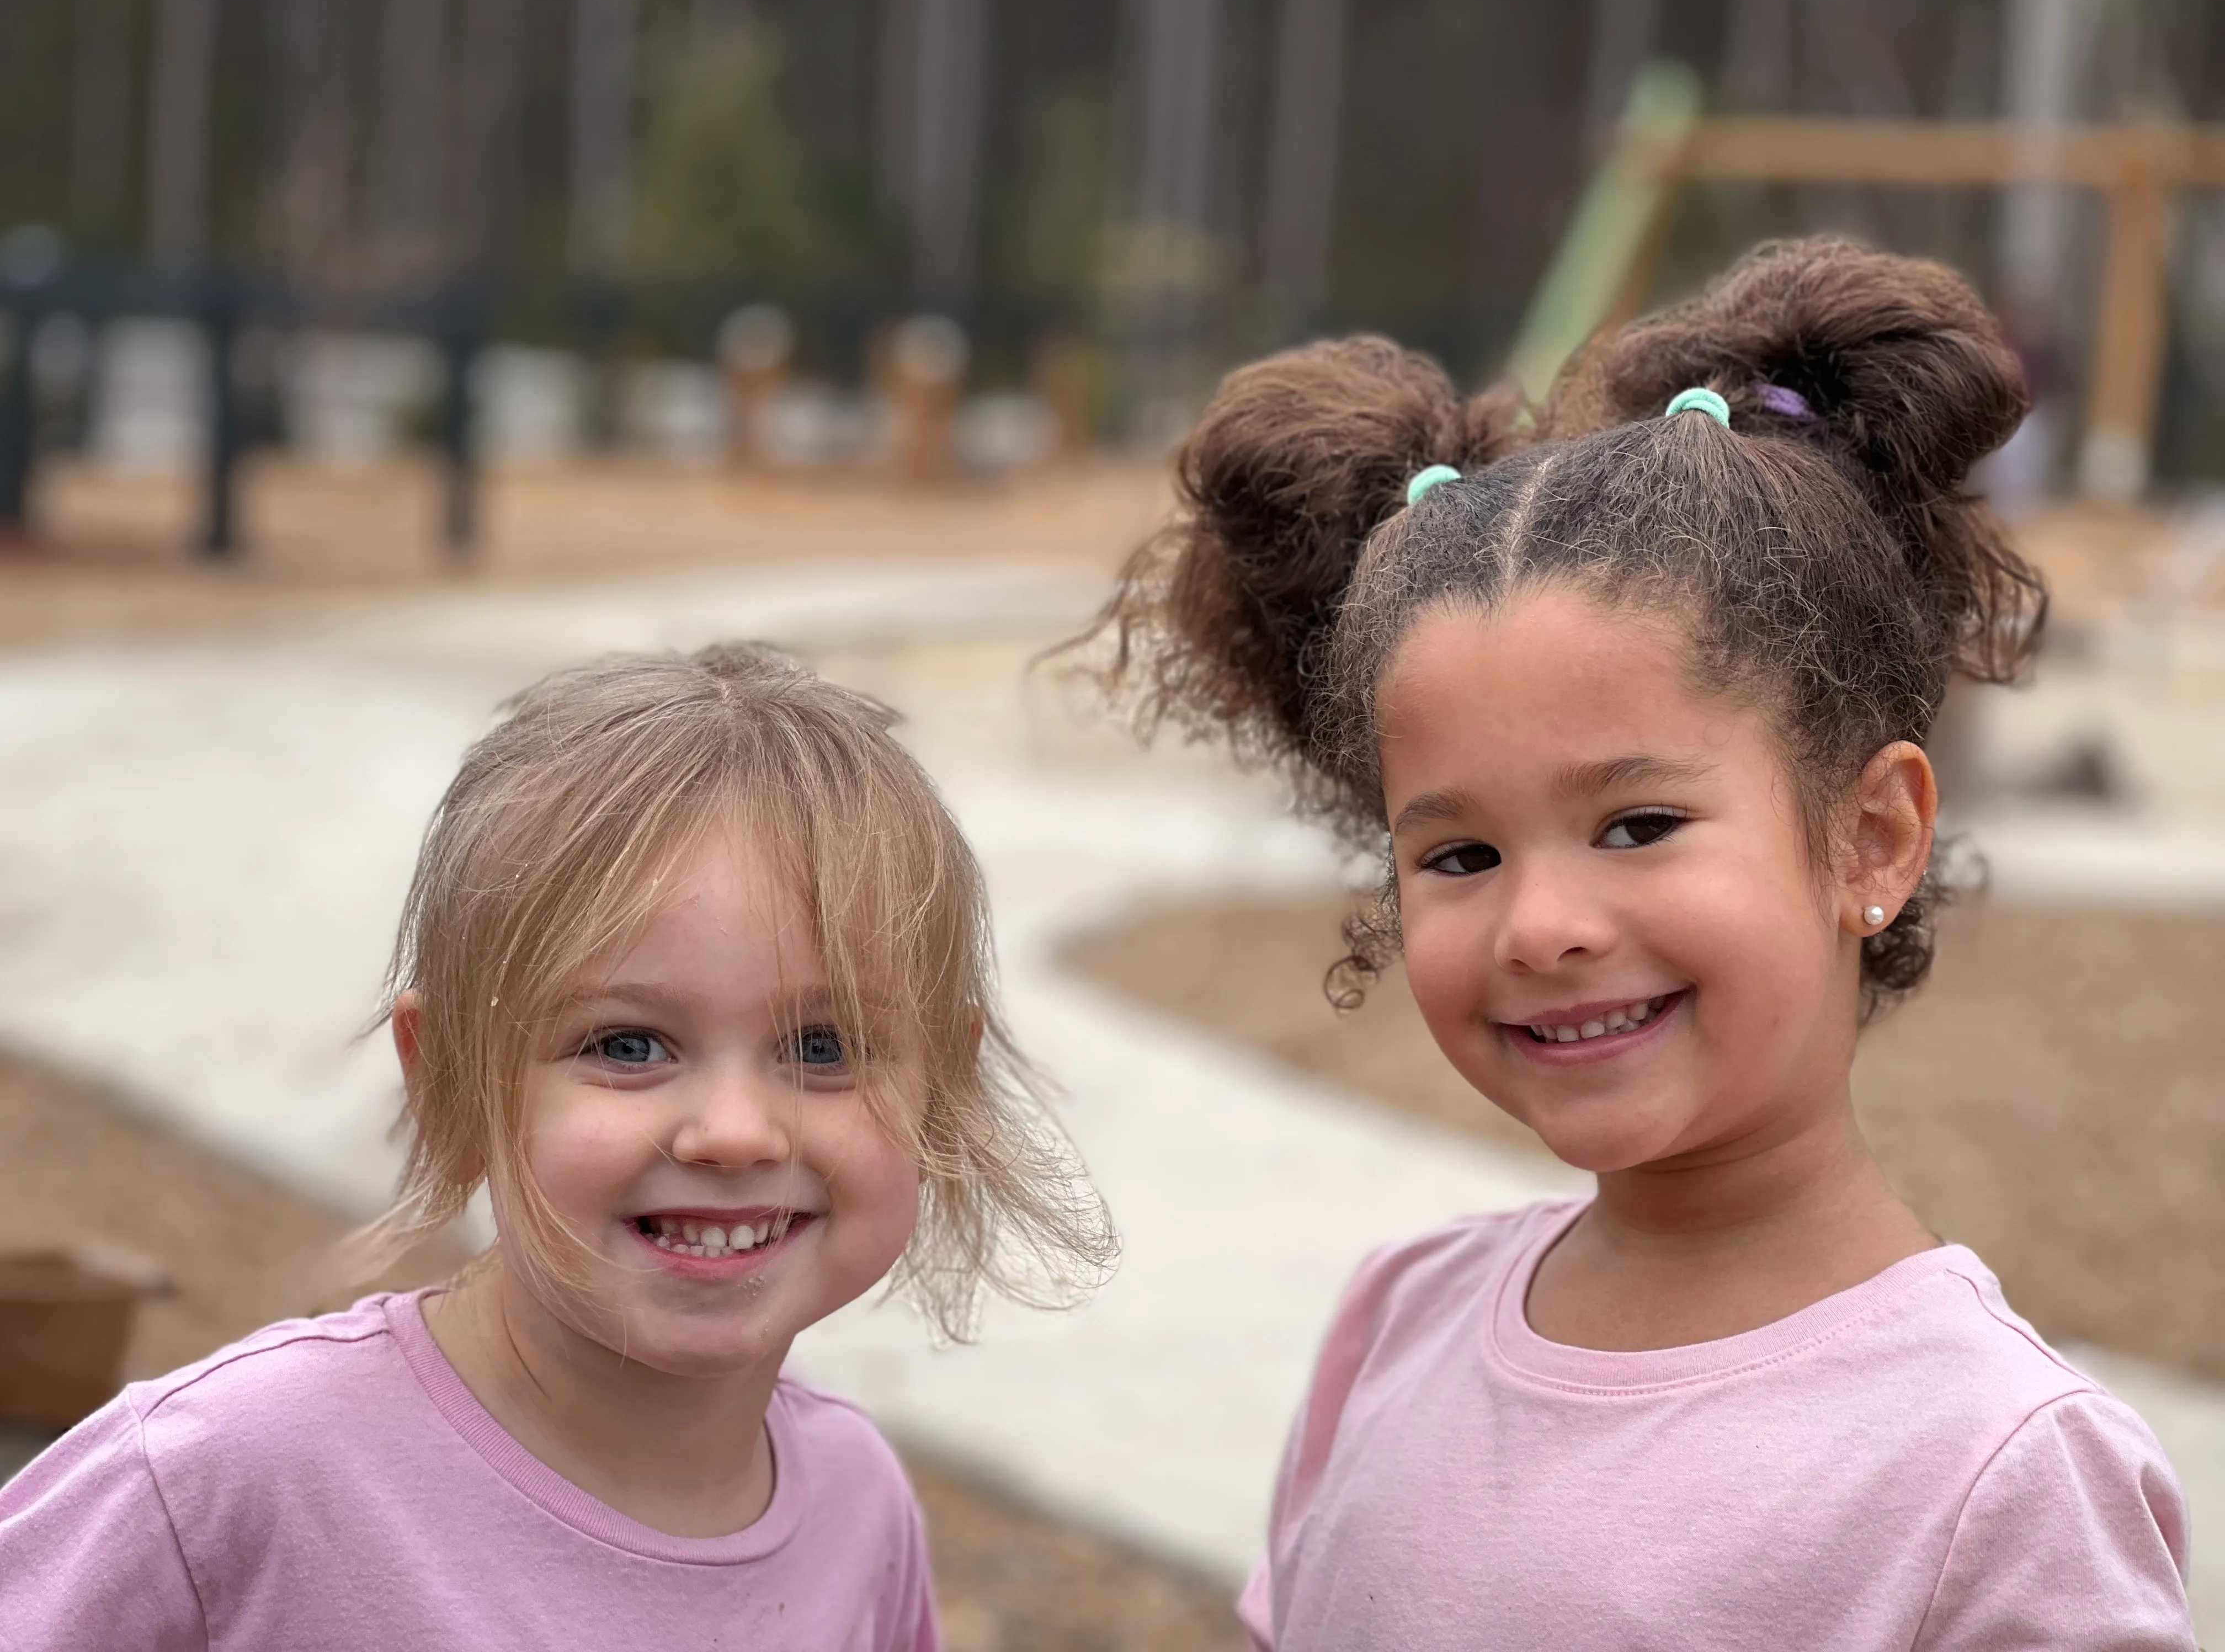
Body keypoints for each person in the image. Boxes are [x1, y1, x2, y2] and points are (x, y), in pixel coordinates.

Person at [1085, 237, 2195, 1650]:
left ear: (1871, 841)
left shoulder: (1992, 1470)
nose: (1542, 927)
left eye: (1637, 825)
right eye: (1462, 855)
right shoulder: (1399, 1325)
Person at [0, 642, 1112, 1650]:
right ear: (447, 1083)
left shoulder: (857, 1508)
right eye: (629, 1043)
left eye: (824, 1045)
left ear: (941, 1085)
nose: (733, 1131)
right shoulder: (226, 1480)